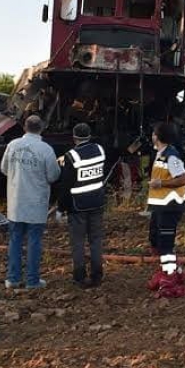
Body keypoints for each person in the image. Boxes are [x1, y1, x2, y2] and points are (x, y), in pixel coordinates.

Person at [0, 115, 60, 289]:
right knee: (34, 241)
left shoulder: (12, 145)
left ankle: (13, 279)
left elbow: (4, 169)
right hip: (36, 202)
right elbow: (53, 175)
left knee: (15, 240)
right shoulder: (46, 149)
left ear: (24, 128)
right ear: (41, 128)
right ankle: (32, 281)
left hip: (16, 202)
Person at [58, 123, 106, 288]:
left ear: (74, 137)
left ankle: (79, 277)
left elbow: (66, 185)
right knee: (96, 240)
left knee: (78, 242)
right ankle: (97, 276)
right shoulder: (100, 150)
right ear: (89, 135)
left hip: (78, 206)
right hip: (97, 202)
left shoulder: (71, 156)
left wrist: (60, 208)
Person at [146, 122, 185, 298]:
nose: (151, 136)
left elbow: (183, 179)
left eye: (153, 133)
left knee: (166, 244)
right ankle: (167, 269)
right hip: (159, 206)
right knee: (155, 240)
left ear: (158, 136)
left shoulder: (171, 157)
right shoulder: (160, 155)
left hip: (170, 207)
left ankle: (171, 274)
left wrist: (161, 183)